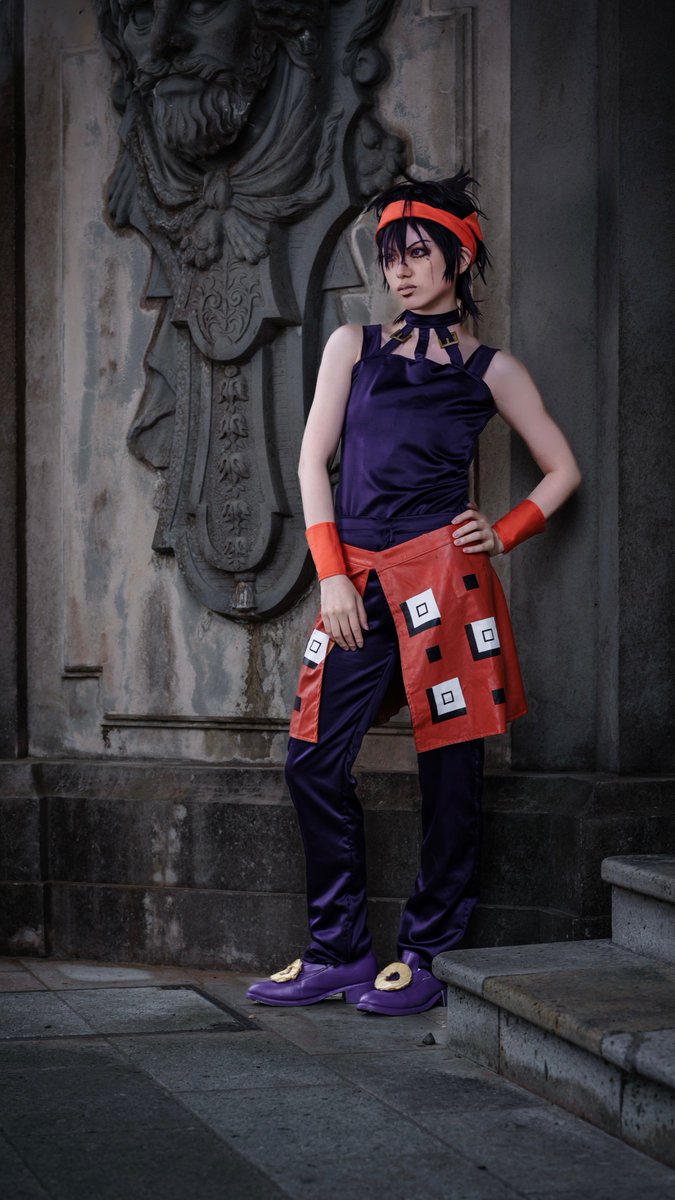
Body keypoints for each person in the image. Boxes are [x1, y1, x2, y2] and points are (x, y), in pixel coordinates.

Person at [247, 171, 581, 1015]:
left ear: (457, 259)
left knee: (450, 770)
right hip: (355, 575)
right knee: (311, 756)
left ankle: (426, 954)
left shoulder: (491, 369)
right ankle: (338, 951)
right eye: (389, 255)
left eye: (417, 253)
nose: (399, 270)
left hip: (443, 578)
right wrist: (330, 575)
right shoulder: (351, 345)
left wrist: (503, 532)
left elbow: (562, 469)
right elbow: (310, 464)